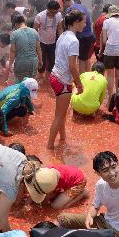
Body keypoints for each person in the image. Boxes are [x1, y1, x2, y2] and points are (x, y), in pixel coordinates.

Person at [48, 10, 85, 150]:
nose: (85, 24)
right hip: (63, 80)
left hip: (55, 75)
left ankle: (63, 138)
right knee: (59, 115)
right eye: (84, 21)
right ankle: (50, 145)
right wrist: (79, 85)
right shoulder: (74, 40)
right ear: (76, 22)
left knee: (62, 113)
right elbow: (73, 67)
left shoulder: (63, 35)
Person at [101, 6, 119, 99]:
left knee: (109, 75)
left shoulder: (106, 22)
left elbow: (104, 40)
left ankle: (110, 97)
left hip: (110, 51)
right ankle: (118, 97)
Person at [34, 0, 63, 81]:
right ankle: (40, 75)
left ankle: (47, 76)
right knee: (41, 60)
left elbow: (60, 29)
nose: (53, 14)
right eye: (51, 12)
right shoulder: (40, 16)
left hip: (53, 42)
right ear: (47, 9)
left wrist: (61, 40)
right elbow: (35, 30)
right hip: (41, 42)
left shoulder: (59, 15)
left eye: (55, 12)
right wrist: (36, 43)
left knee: (52, 60)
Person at [9, 13, 41, 82]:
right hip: (33, 63)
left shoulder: (14, 34)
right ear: (24, 22)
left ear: (15, 24)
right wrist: (40, 61)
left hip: (21, 63)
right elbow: (38, 49)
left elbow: (13, 51)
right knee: (31, 85)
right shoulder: (35, 32)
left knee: (19, 86)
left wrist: (10, 64)